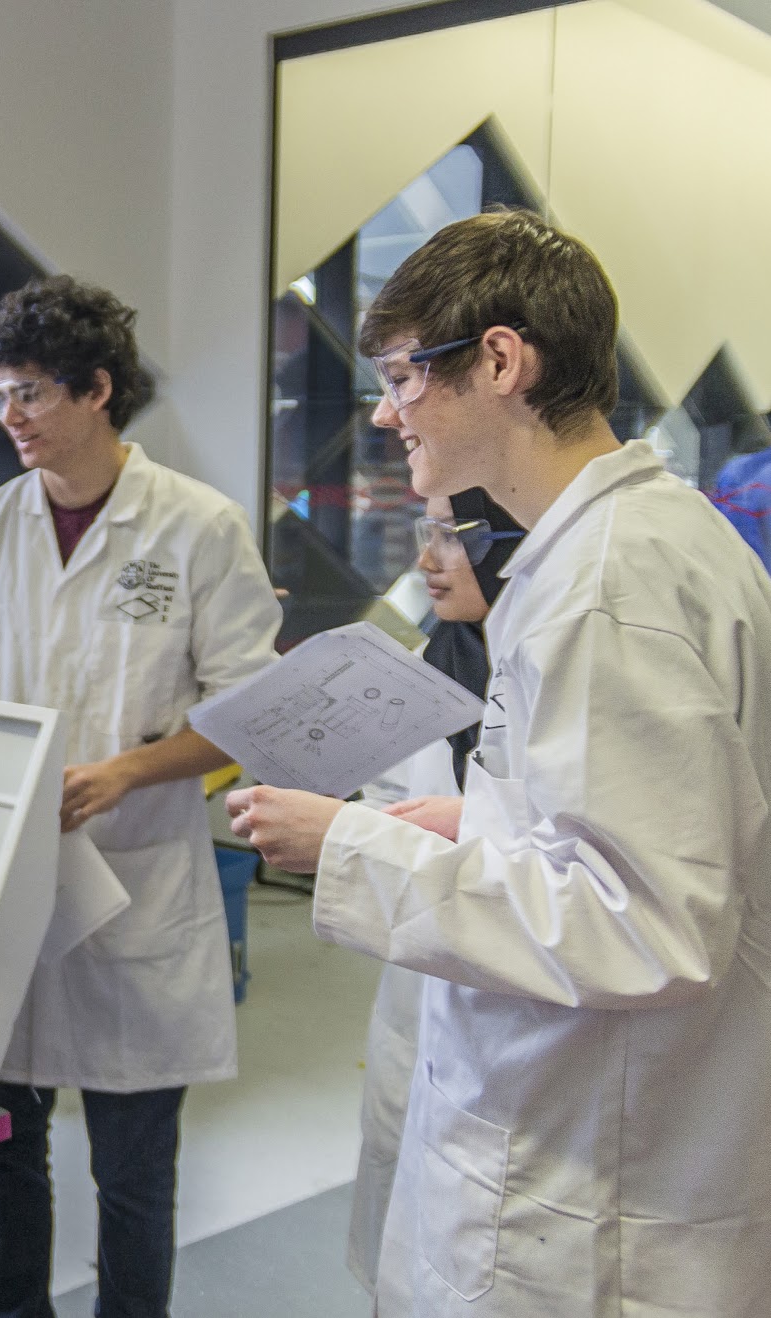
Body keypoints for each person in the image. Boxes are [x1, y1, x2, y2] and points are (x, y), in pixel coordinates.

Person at [227, 211, 771, 1316]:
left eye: (398, 376)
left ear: (499, 360)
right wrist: (467, 825)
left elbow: (647, 921)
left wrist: (356, 846)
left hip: (585, 1192)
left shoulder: (609, 581)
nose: (384, 413)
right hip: (576, 1132)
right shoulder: (618, 548)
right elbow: (627, 836)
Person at [0, 276, 282, 1318]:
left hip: (134, 880)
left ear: (97, 389)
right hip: (6, 883)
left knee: (131, 1172)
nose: (12, 418)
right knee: (4, 1143)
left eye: (31, 392)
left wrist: (125, 771)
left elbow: (248, 708)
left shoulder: (198, 527)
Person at [346, 488, 523, 1297]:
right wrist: (342, 827)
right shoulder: (427, 668)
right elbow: (386, 800)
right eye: (426, 536)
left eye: (449, 539)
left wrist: (472, 822)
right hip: (421, 990)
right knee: (404, 1240)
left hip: (526, 1000)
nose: (426, 562)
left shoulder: (557, 670)